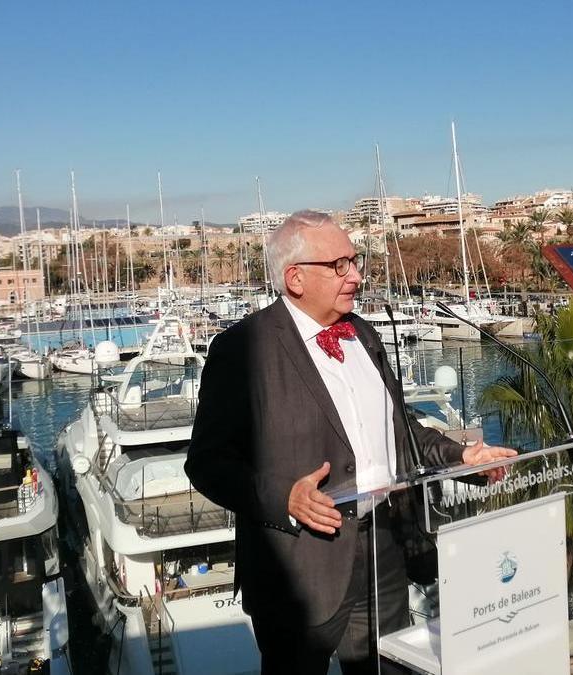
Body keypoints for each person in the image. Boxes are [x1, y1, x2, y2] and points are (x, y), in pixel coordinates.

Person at [185, 210, 515, 675]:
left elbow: (400, 432)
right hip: (298, 570)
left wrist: (462, 456)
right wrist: (285, 498)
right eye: (339, 265)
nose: (356, 276)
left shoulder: (364, 333)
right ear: (294, 278)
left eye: (355, 261)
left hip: (384, 552)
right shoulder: (241, 348)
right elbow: (207, 463)